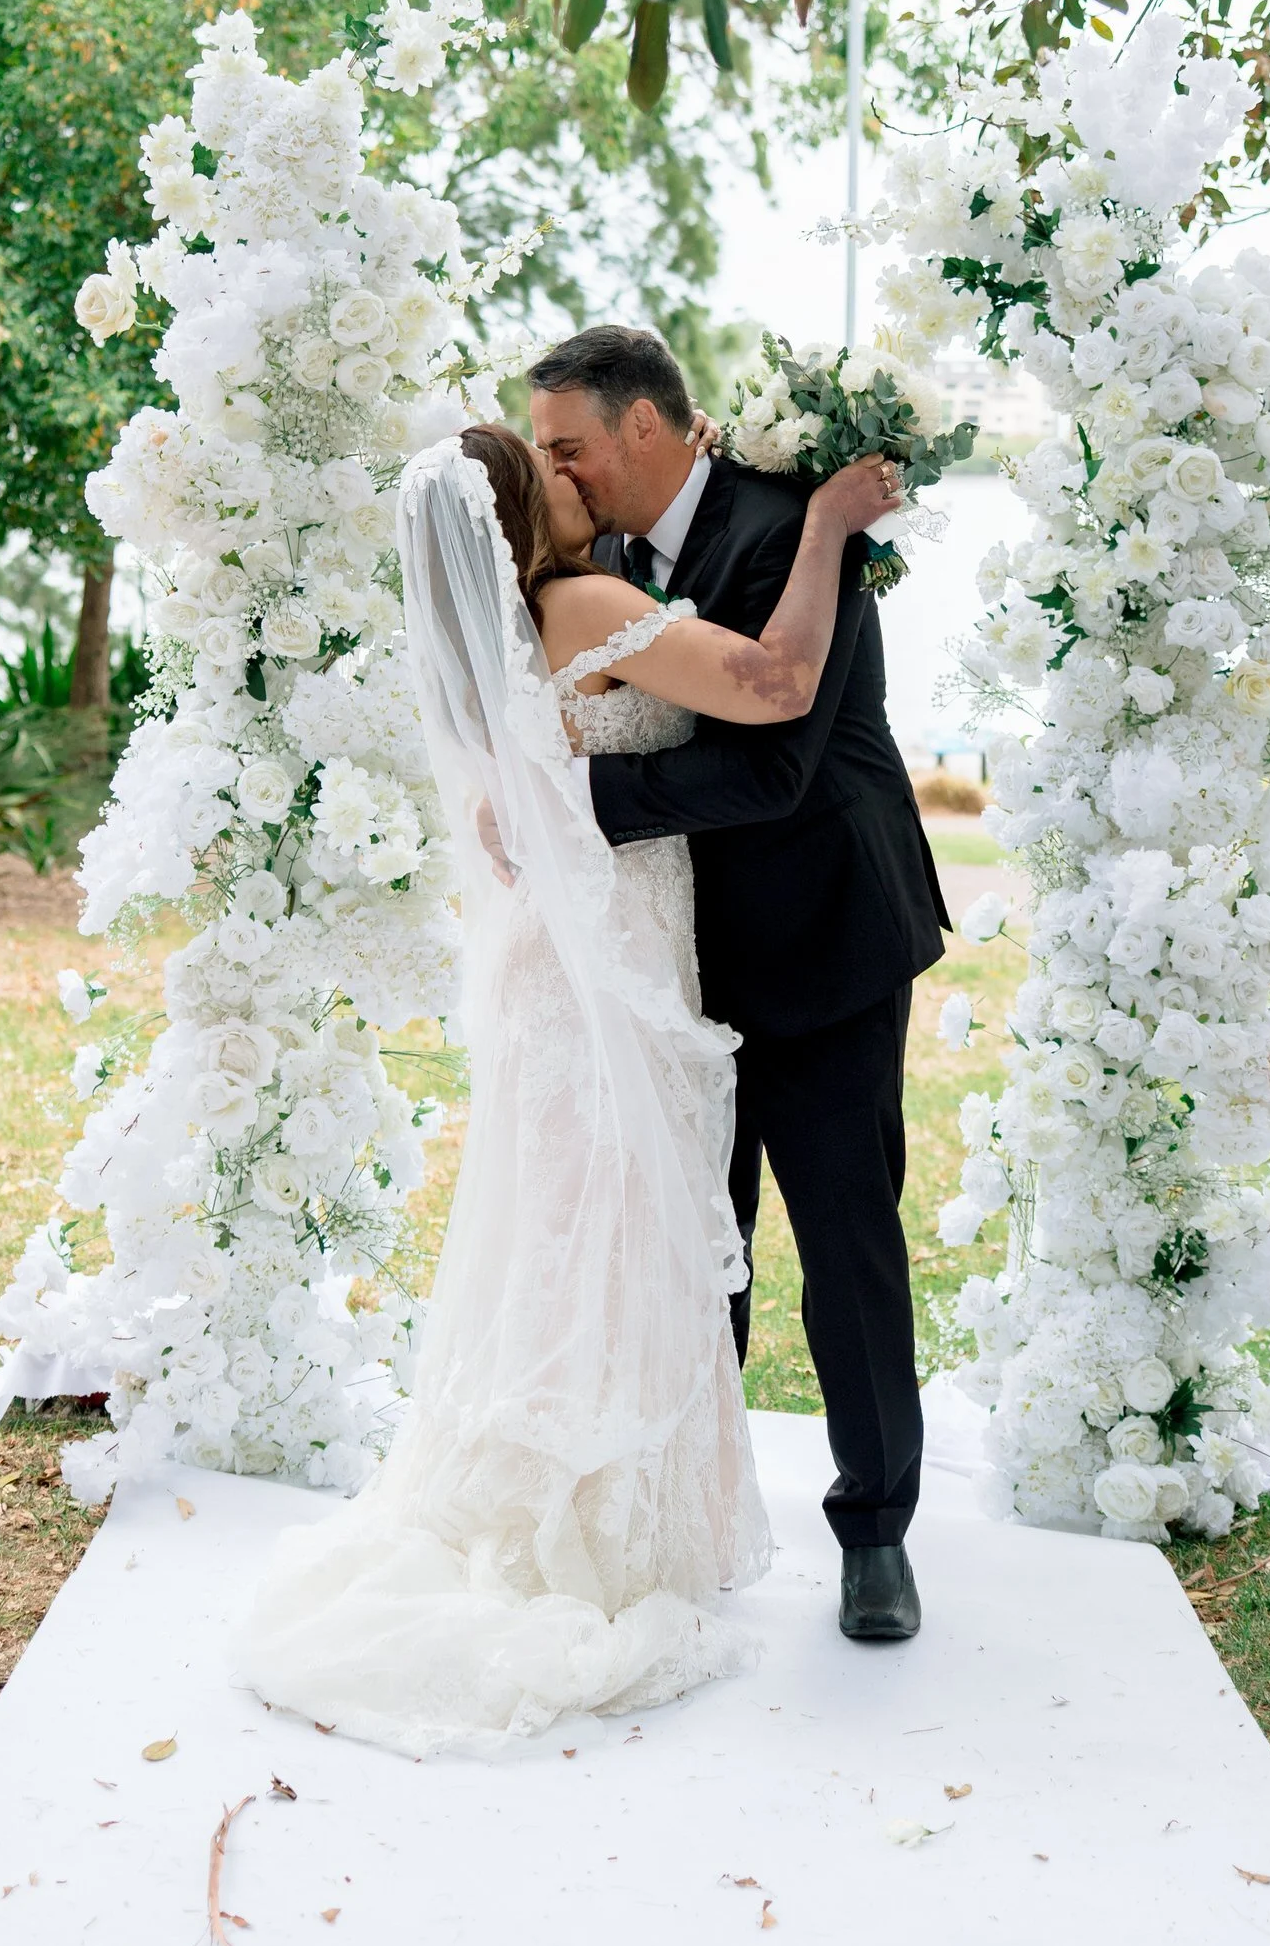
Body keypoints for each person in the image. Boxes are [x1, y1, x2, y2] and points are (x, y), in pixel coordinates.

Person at [234, 422, 900, 1756]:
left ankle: (584, 1497)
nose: (572, 474)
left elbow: (538, 780)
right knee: (618, 1238)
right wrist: (829, 528)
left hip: (565, 970)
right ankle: (596, 1528)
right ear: (518, 516)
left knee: (568, 1246)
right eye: (547, 465)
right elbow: (775, 685)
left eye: (570, 448)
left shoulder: (507, 634)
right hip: (612, 977)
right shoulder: (580, 605)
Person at [528, 325, 948, 1645]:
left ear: (644, 425)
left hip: (826, 943)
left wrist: (574, 800)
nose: (558, 472)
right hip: (678, 971)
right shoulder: (596, 567)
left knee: (845, 1247)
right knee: (698, 1251)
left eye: (570, 446)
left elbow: (773, 767)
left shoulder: (789, 530)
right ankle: (696, 1510)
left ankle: (875, 1534)